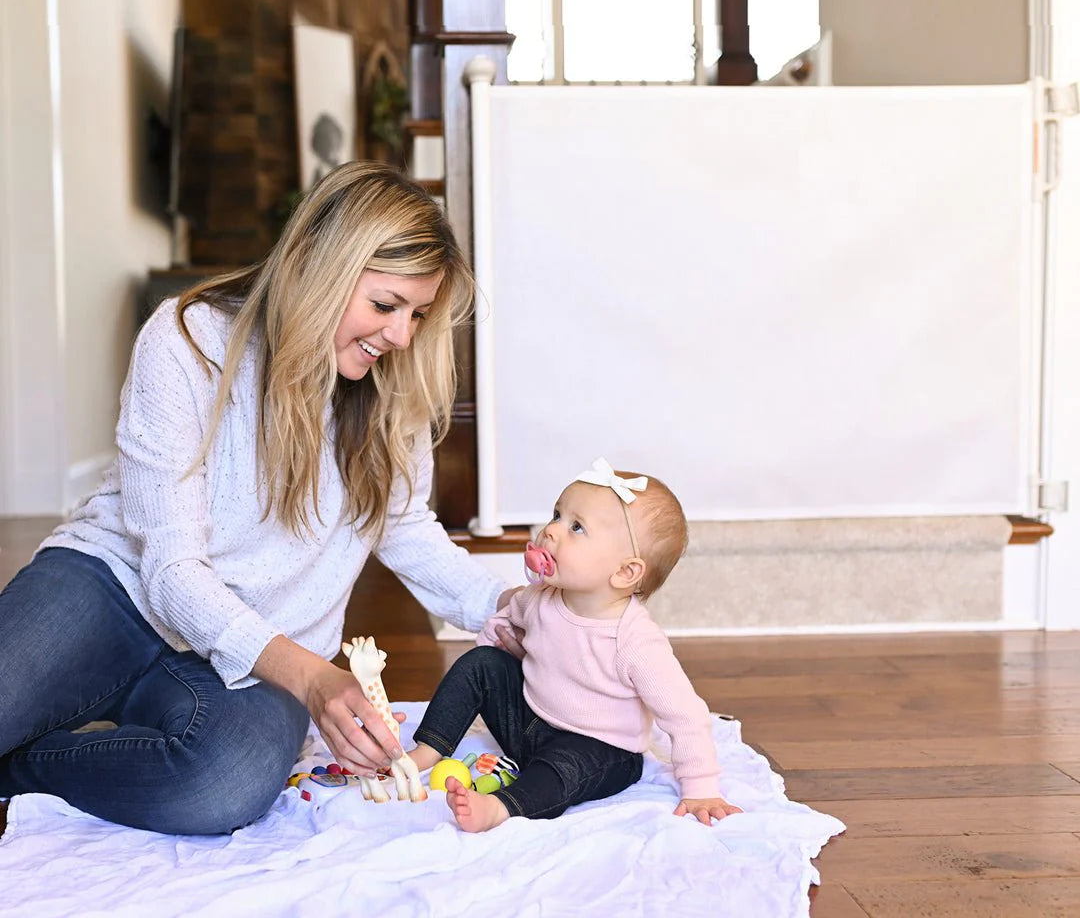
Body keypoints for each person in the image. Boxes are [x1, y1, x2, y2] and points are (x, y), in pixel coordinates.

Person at [0, 162, 519, 836]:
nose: (401, 336)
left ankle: (23, 770)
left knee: (223, 784)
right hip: (116, 590)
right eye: (386, 305)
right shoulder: (187, 341)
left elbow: (407, 528)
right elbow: (172, 571)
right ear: (319, 266)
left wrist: (507, 609)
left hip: (267, 642)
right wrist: (312, 679)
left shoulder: (391, 390)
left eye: (418, 315)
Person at [407, 457, 744, 833]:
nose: (551, 531)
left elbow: (684, 715)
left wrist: (700, 788)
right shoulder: (540, 596)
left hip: (600, 750)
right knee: (480, 661)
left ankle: (500, 807)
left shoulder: (634, 640)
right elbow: (500, 626)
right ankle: (428, 749)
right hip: (532, 723)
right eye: (557, 515)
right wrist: (493, 673)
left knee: (564, 769)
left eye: (577, 527)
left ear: (625, 571)